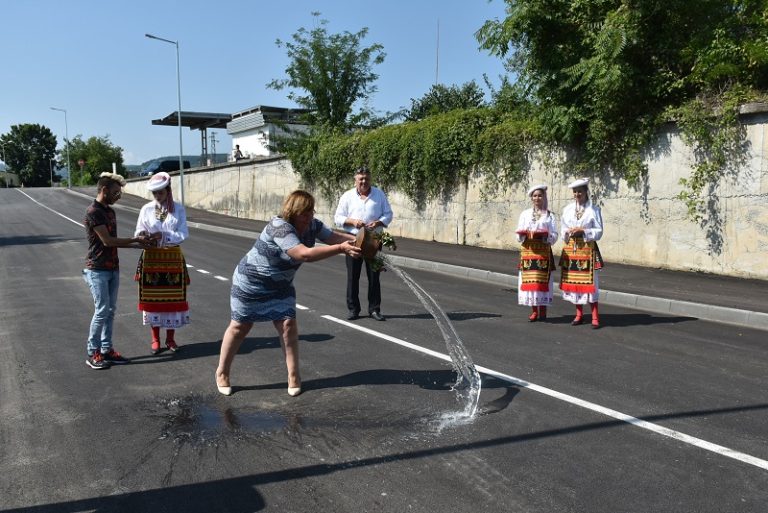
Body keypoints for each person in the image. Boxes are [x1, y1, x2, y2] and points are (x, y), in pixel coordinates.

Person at [215, 190, 362, 397]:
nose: (309, 217)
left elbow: (335, 237)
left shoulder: (313, 225)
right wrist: (341, 249)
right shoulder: (279, 227)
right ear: (293, 211)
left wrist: (361, 243)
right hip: (251, 282)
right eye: (305, 213)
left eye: (311, 211)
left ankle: (294, 376)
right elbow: (304, 254)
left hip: (281, 286)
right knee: (241, 326)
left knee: (287, 325)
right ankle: (222, 372)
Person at [83, 172, 153, 369]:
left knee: (110, 311)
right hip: (96, 269)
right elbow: (107, 241)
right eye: (115, 192)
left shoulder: (110, 212)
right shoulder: (93, 212)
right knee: (102, 310)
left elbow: (114, 244)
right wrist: (136, 240)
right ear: (104, 190)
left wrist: (139, 246)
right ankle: (92, 352)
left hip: (112, 267)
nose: (118, 196)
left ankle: (106, 349)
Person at [134, 172, 190, 354]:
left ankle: (171, 339)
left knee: (172, 300)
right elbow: (139, 230)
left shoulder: (179, 210)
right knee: (153, 301)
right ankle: (155, 339)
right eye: (155, 193)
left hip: (172, 258)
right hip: (151, 258)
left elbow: (183, 234)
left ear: (168, 191)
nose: (158, 196)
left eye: (161, 193)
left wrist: (164, 235)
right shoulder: (146, 209)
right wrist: (142, 235)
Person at [334, 167, 394, 321]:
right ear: (355, 179)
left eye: (366, 178)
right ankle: (353, 309)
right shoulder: (347, 196)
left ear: (370, 179)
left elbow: (388, 214)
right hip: (353, 240)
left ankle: (374, 309)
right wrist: (352, 221)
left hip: (374, 241)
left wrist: (379, 222)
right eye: (360, 179)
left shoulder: (379, 194)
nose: (364, 182)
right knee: (352, 277)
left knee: (374, 277)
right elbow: (338, 218)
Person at [559, 178, 604, 328]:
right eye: (575, 191)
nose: (577, 194)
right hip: (572, 249)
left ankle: (595, 316)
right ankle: (578, 314)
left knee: (591, 283)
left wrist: (583, 231)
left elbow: (598, 231)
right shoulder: (567, 209)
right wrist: (568, 232)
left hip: (587, 249)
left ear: (586, 192)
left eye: (580, 191)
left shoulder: (594, 210)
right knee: (574, 283)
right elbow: (563, 229)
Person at [515, 184, 558, 322]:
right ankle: (534, 311)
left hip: (543, 251)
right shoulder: (525, 214)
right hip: (528, 251)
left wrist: (546, 237)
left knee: (542, 282)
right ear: (531, 198)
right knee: (530, 282)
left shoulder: (549, 215)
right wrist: (524, 234)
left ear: (544, 197)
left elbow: (555, 234)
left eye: (540, 195)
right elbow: (518, 233)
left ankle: (543, 310)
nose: (537, 198)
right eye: (535, 195)